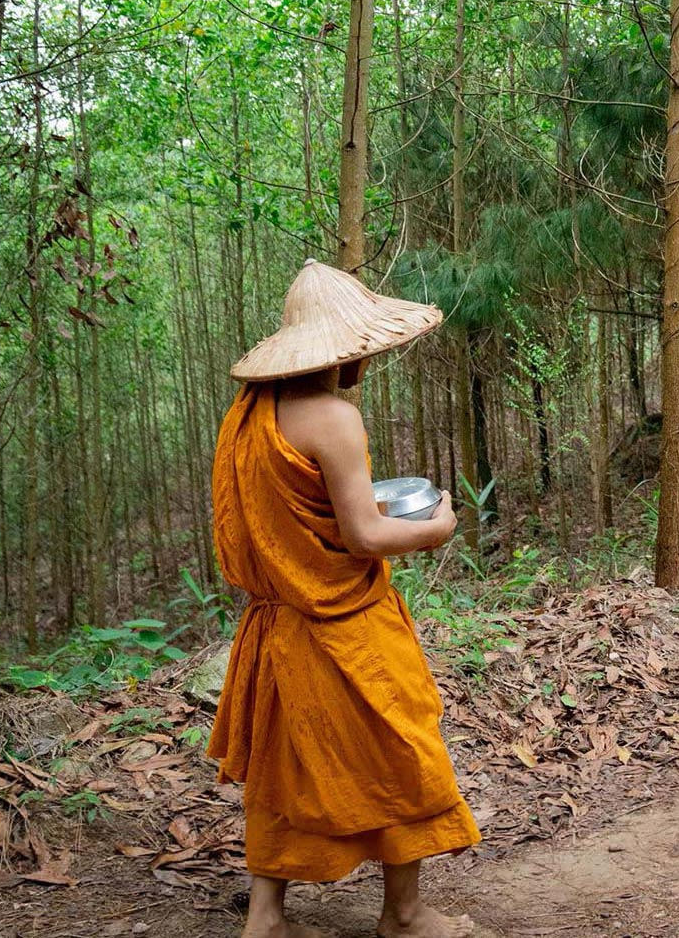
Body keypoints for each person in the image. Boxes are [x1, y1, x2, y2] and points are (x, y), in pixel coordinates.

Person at [210, 260, 478, 938]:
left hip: (274, 624)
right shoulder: (333, 416)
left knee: (283, 764)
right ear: (346, 350)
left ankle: (267, 917)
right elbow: (362, 532)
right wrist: (437, 526)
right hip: (342, 621)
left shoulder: (248, 415)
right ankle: (405, 914)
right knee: (404, 747)